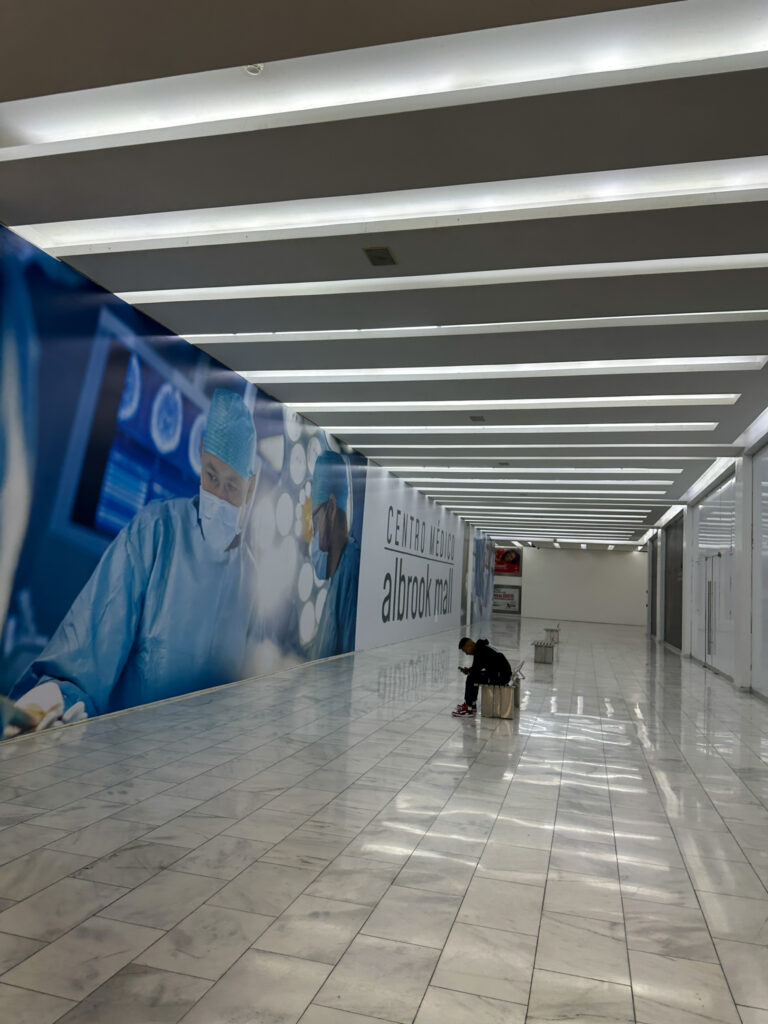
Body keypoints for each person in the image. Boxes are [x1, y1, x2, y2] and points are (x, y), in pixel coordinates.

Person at [10, 388, 263, 730]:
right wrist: (47, 704)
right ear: (201, 453)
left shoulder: (250, 582)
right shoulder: (154, 533)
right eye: (211, 475)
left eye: (232, 486)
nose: (218, 496)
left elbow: (250, 701)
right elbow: (85, 658)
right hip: (132, 765)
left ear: (252, 486)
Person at [308, 451, 360, 660]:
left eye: (314, 519)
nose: (313, 531)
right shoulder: (341, 570)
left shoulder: (351, 569)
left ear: (330, 509)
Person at [453, 636, 512, 717]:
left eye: (465, 651)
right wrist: (469, 670)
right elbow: (478, 666)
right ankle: (471, 705)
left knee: (471, 678)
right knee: (473, 676)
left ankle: (468, 708)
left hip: (500, 677)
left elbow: (476, 670)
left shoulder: (479, 650)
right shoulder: (482, 647)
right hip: (501, 673)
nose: (466, 654)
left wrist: (469, 671)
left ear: (469, 646)